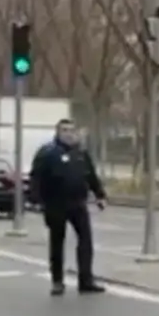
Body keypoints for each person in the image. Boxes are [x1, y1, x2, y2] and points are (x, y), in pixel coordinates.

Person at [28, 119, 107, 295]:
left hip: (78, 203)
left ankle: (85, 280)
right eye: (64, 130)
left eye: (71, 130)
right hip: (55, 204)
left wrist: (100, 195)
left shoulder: (81, 153)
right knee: (57, 242)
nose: (69, 134)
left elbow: (91, 176)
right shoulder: (47, 153)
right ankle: (57, 281)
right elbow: (36, 178)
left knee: (85, 240)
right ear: (57, 132)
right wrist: (36, 200)